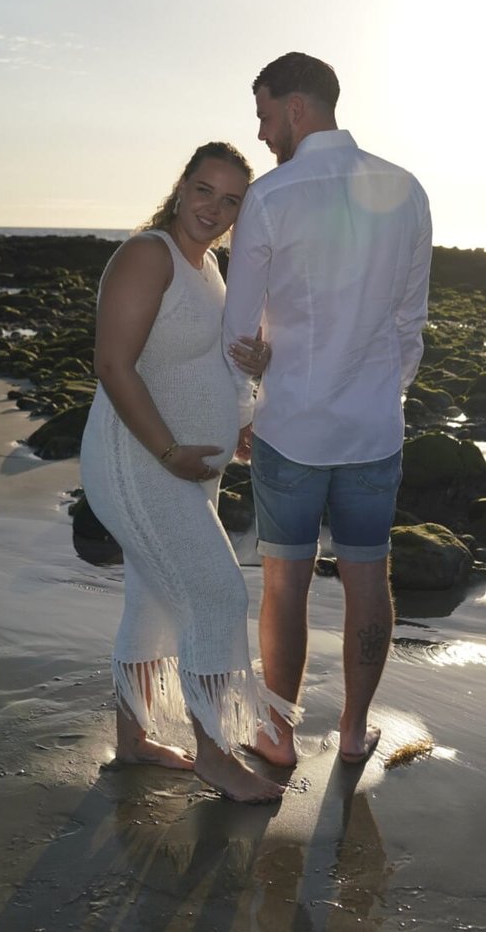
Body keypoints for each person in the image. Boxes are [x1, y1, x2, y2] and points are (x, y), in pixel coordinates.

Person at [222, 53, 433, 767]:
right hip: (372, 429)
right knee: (369, 578)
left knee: (284, 583)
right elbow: (410, 323)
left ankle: (278, 736)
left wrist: (243, 410)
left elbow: (239, 328)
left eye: (264, 115)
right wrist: (381, 395)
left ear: (296, 108)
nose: (261, 133)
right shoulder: (405, 190)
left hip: (291, 427)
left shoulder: (271, 196)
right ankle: (352, 730)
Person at [79, 141, 296, 803]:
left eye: (231, 200)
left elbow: (198, 363)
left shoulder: (210, 269)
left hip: (185, 467)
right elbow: (112, 364)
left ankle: (134, 739)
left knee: (151, 600)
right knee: (218, 595)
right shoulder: (149, 255)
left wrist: (240, 413)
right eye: (205, 190)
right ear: (181, 188)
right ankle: (215, 755)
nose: (214, 208)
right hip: (140, 462)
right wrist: (170, 451)